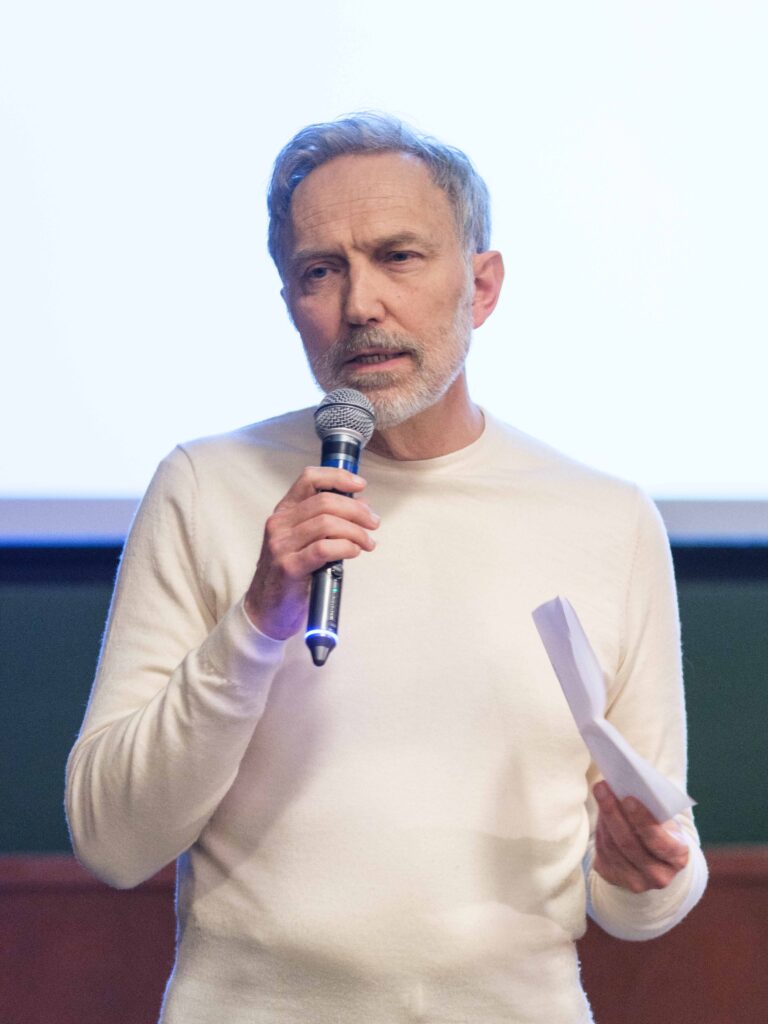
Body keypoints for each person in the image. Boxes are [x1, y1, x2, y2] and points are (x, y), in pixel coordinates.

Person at [66, 113, 707, 1024]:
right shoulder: (206, 487)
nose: (360, 303)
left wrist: (647, 873)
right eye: (320, 271)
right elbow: (113, 841)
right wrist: (255, 623)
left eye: (398, 256)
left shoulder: (608, 518)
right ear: (290, 301)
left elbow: (651, 881)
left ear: (481, 286)